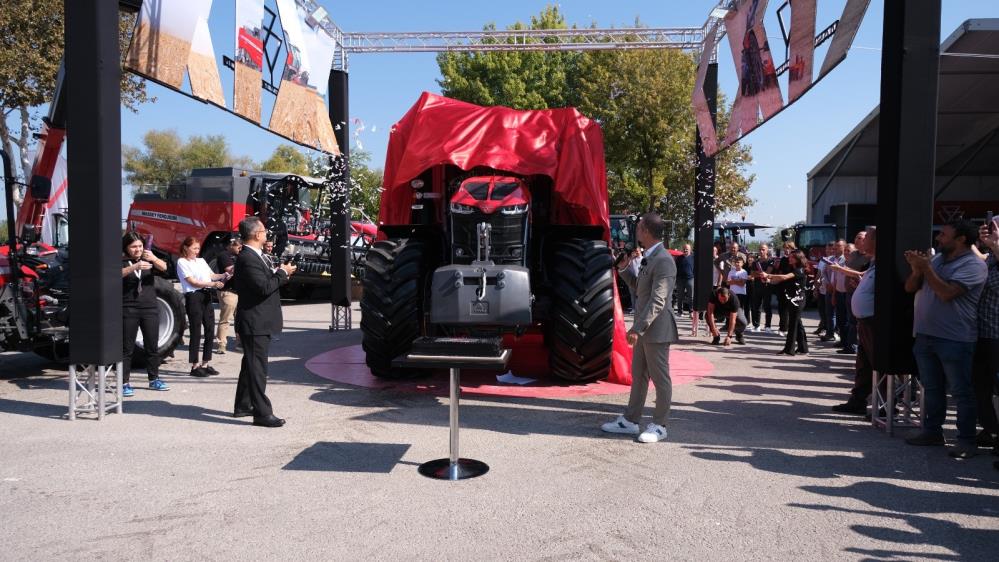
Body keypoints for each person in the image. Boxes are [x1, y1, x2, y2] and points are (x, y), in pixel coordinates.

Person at [903, 220, 987, 458]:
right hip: (926, 335)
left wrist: (926, 268)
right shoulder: (938, 260)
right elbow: (910, 288)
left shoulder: (974, 266)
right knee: (931, 388)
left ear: (961, 239)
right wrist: (918, 269)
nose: (938, 238)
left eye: (944, 235)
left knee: (961, 391)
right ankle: (932, 431)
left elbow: (947, 293)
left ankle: (967, 440)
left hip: (955, 338)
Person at [602, 212, 678, 443]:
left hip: (655, 329)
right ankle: (631, 420)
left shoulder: (663, 260)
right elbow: (640, 289)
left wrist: (638, 328)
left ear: (646, 230)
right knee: (639, 376)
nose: (636, 231)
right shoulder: (651, 257)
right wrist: (625, 270)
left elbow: (658, 300)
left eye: (638, 227)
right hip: (646, 328)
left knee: (660, 378)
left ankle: (660, 425)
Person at [233, 216, 297, 427]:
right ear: (257, 234)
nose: (267, 233)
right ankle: (262, 413)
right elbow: (262, 288)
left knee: (250, 365)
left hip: (259, 320)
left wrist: (281, 274)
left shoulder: (257, 256)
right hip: (254, 321)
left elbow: (265, 283)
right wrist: (281, 273)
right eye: (264, 230)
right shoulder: (247, 258)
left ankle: (243, 405)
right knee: (258, 368)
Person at [832, 227, 878, 415]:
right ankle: (858, 401)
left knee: (877, 364)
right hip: (864, 322)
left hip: (874, 323)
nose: (862, 241)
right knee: (864, 366)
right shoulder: (871, 263)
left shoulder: (883, 263)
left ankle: (884, 405)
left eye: (866, 238)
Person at [121, 233, 170, 396]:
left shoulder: (149, 259)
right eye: (134, 246)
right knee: (126, 348)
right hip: (128, 307)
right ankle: (124, 382)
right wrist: (135, 267)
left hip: (149, 307)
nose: (138, 249)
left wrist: (153, 258)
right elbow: (115, 274)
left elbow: (166, 268)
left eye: (140, 246)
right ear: (126, 248)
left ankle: (154, 378)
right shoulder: (121, 260)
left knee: (152, 346)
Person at [177, 237, 229, 378]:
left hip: (206, 295)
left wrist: (224, 275)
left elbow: (211, 275)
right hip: (193, 296)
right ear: (186, 248)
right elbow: (192, 282)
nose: (196, 251)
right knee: (196, 330)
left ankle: (205, 363)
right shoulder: (182, 262)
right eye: (194, 248)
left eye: (198, 248)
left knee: (210, 328)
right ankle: (195, 365)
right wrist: (212, 284)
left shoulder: (201, 261)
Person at [972, 222, 999, 452]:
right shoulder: (990, 258)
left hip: (996, 336)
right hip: (981, 334)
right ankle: (991, 430)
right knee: (981, 388)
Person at [765, 249, 809, 355]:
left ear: (798, 258)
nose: (789, 258)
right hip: (792, 299)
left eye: (792, 257)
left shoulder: (799, 270)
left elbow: (784, 277)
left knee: (793, 325)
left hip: (797, 300)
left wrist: (768, 275)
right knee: (798, 324)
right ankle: (803, 348)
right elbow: (782, 280)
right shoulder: (792, 268)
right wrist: (768, 280)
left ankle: (789, 350)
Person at [214, 237, 241, 355]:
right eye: (238, 247)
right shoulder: (224, 255)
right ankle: (221, 344)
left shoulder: (239, 256)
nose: (240, 250)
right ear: (231, 245)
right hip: (228, 291)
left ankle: (240, 342)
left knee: (240, 319)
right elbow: (229, 269)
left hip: (239, 290)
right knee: (226, 318)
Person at [826, 239, 848, 345]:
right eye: (835, 246)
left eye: (838, 246)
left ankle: (847, 341)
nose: (835, 248)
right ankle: (842, 340)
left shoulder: (845, 260)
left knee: (845, 318)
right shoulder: (833, 259)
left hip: (845, 292)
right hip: (836, 290)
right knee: (840, 318)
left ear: (844, 247)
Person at [750, 244, 775, 332]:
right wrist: (760, 274)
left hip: (767, 286)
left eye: (763, 249)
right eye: (760, 249)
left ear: (767, 250)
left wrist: (759, 273)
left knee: (767, 306)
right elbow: (752, 274)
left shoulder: (771, 260)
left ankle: (768, 326)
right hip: (757, 286)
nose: (761, 251)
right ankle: (757, 326)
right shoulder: (755, 262)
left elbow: (768, 272)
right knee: (756, 306)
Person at [675, 243, 694, 315]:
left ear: (690, 250)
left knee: (690, 296)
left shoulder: (693, 257)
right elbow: (675, 268)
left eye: (687, 249)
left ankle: (691, 311)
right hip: (680, 279)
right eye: (684, 249)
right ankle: (680, 311)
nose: (685, 250)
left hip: (690, 279)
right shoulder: (679, 258)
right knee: (680, 296)